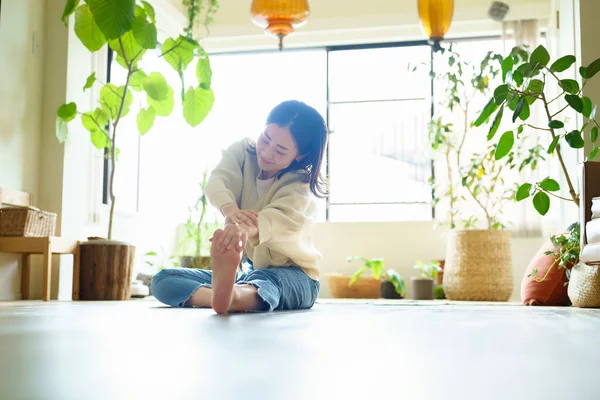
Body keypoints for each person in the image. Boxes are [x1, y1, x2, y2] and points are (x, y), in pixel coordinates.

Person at [152, 100, 328, 314]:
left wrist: (244, 229)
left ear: (300, 155)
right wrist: (231, 212)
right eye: (266, 139)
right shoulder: (243, 152)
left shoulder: (300, 186)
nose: (266, 152)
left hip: (296, 276)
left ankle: (233, 295)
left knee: (267, 283)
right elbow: (218, 181)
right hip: (248, 273)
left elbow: (276, 219)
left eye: (280, 151)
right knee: (163, 280)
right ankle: (228, 295)